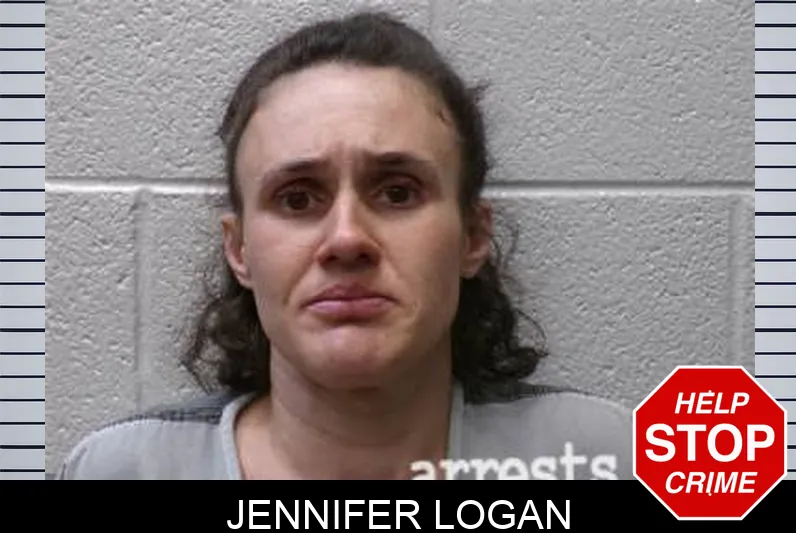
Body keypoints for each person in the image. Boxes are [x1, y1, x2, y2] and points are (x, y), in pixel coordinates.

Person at [56, 11, 632, 480]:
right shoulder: (118, 472)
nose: (347, 239)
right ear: (240, 251)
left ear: (473, 236)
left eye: (398, 192)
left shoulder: (616, 460)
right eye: (297, 199)